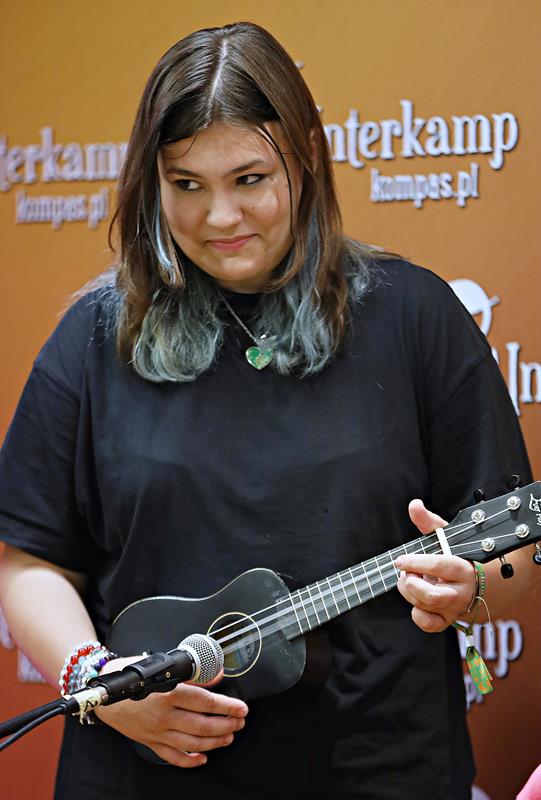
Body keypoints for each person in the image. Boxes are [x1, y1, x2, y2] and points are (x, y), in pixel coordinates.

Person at [0, 21, 532, 800]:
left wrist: (471, 588)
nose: (219, 217)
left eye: (248, 178)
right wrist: (101, 684)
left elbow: (512, 549)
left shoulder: (415, 318)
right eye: (185, 184)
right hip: (140, 776)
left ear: (307, 156)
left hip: (375, 769)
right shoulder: (95, 335)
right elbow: (29, 560)